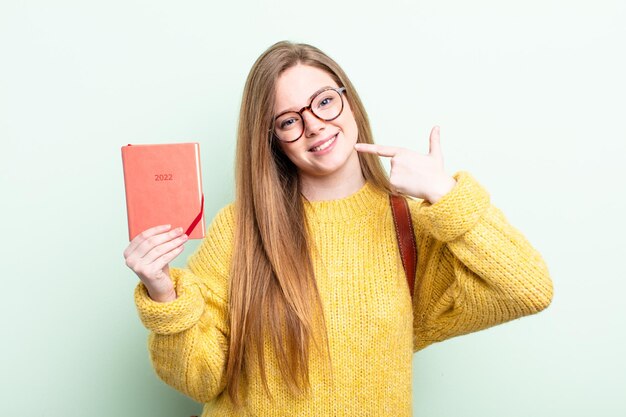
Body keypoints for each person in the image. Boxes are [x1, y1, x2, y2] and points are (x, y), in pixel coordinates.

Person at [123, 40, 554, 416]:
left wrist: (445, 193)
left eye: (325, 101)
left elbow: (527, 290)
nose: (314, 124)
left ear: (349, 102)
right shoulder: (241, 227)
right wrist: (164, 294)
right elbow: (199, 379)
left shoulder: (413, 222)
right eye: (289, 120)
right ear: (272, 140)